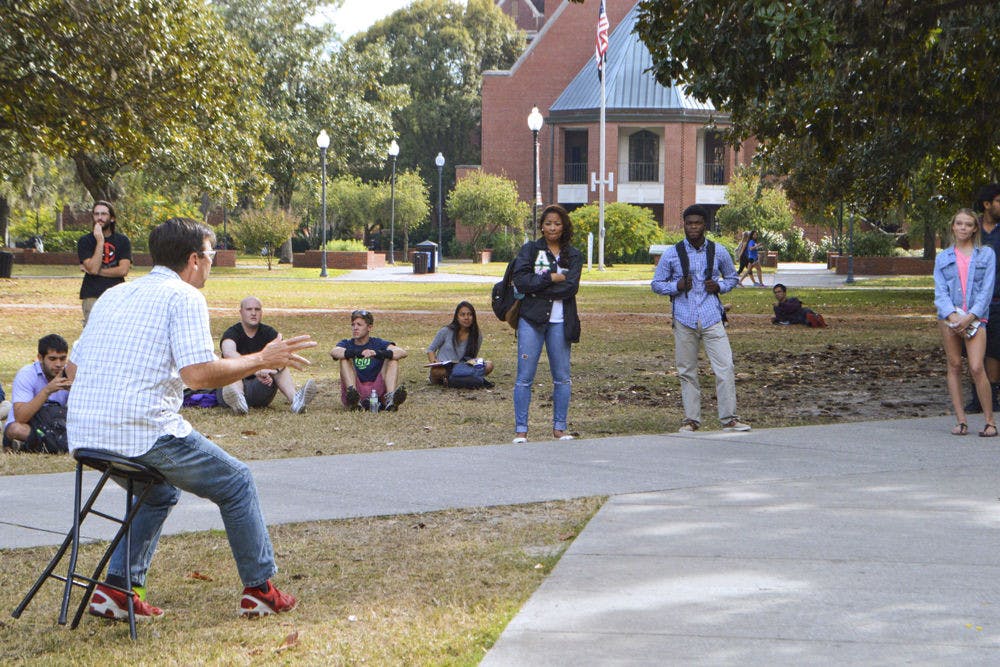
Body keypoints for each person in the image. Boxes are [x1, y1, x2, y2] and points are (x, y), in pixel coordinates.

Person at [66, 217, 316, 620]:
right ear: (194, 259)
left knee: (159, 491)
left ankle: (117, 589)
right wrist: (262, 359)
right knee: (237, 482)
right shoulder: (184, 297)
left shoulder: (113, 296)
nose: (213, 263)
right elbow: (198, 374)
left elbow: (74, 371)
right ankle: (259, 590)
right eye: (211, 255)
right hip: (143, 433)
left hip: (84, 433)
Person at [652, 204, 750, 433]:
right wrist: (676, 286)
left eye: (697, 223)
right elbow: (656, 284)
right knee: (687, 371)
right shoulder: (672, 253)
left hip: (711, 315)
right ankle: (691, 419)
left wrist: (720, 286)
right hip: (684, 317)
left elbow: (733, 277)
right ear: (684, 225)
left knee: (725, 366)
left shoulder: (718, 251)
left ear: (705, 225)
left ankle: (729, 419)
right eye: (689, 223)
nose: (693, 227)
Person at [511, 204, 583, 443]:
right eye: (548, 223)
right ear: (541, 226)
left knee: (562, 376)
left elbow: (570, 286)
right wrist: (550, 277)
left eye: (557, 223)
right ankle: (521, 429)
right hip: (531, 319)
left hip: (560, 322)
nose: (552, 227)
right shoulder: (531, 250)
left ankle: (559, 428)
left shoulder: (573, 254)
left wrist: (539, 285)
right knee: (524, 377)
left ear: (564, 227)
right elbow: (521, 281)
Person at [934, 208, 996, 437]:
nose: (963, 228)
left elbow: (987, 290)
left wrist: (970, 317)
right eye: (959, 223)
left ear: (974, 228)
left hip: (976, 319)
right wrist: (952, 316)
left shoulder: (986, 254)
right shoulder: (943, 257)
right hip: (949, 318)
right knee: (954, 366)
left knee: (977, 367)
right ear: (953, 226)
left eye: (968, 224)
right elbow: (940, 292)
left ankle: (989, 421)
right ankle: (961, 421)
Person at [217, 296, 317, 415]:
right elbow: (229, 353)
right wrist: (256, 369)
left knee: (281, 366)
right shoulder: (232, 333)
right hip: (232, 388)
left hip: (262, 387)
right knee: (232, 367)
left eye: (257, 309)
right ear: (241, 312)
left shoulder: (269, 333)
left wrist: (271, 370)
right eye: (249, 309)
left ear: (261, 312)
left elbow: (283, 356)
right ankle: (238, 401)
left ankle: (295, 401)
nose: (253, 313)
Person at [3, 334, 71, 452]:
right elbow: (20, 417)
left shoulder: (70, 375)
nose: (59, 364)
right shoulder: (27, 374)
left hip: (56, 426)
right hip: (32, 426)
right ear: (40, 357)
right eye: (52, 359)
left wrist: (75, 391)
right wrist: (47, 390)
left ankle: (29, 446)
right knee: (15, 430)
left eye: (63, 358)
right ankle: (60, 445)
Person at [330, 310, 408, 411]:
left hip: (377, 388)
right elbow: (334, 352)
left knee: (393, 360)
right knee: (344, 359)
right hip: (357, 388)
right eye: (353, 325)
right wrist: (358, 353)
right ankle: (354, 401)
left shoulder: (378, 343)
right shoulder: (347, 343)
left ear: (369, 327)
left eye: (359, 325)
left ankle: (390, 400)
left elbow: (402, 352)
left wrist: (377, 353)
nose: (355, 328)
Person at [967, 183, 1000, 414]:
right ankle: (976, 397)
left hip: (998, 299)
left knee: (995, 350)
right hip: (972, 302)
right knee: (972, 348)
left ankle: (993, 396)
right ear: (987, 204)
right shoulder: (972, 227)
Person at [77, 200, 132, 326]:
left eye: (104, 214)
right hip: (92, 295)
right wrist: (100, 241)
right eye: (96, 214)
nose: (99, 218)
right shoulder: (85, 241)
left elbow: (123, 270)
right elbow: (93, 268)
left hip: (117, 295)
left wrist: (96, 271)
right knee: (93, 333)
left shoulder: (123, 241)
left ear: (112, 218)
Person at [426, 301, 494, 388]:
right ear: (457, 317)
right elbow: (430, 350)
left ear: (473, 317)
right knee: (436, 372)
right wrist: (434, 362)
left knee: (489, 365)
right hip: (445, 369)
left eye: (469, 314)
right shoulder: (446, 331)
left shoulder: (477, 335)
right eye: (462, 315)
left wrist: (473, 363)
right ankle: (460, 379)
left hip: (462, 367)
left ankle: (455, 380)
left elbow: (472, 358)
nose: (466, 318)